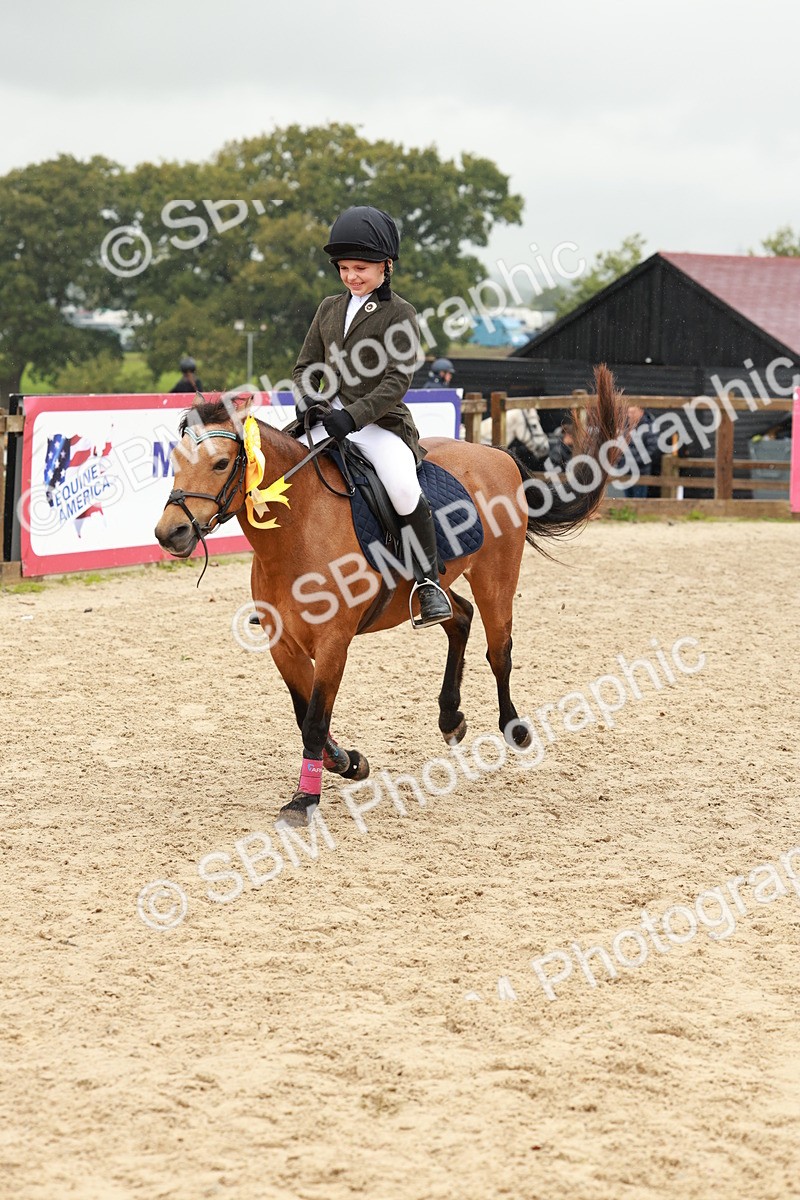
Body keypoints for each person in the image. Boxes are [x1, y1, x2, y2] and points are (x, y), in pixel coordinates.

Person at [291, 205, 452, 628]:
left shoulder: (400, 314)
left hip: (381, 423)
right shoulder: (328, 308)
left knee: (401, 488)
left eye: (360, 268)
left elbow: (396, 381)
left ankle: (428, 583)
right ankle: (280, 586)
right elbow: (305, 365)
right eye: (344, 268)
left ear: (386, 265)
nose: (351, 277)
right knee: (281, 476)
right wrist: (309, 398)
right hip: (331, 417)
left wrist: (354, 417)